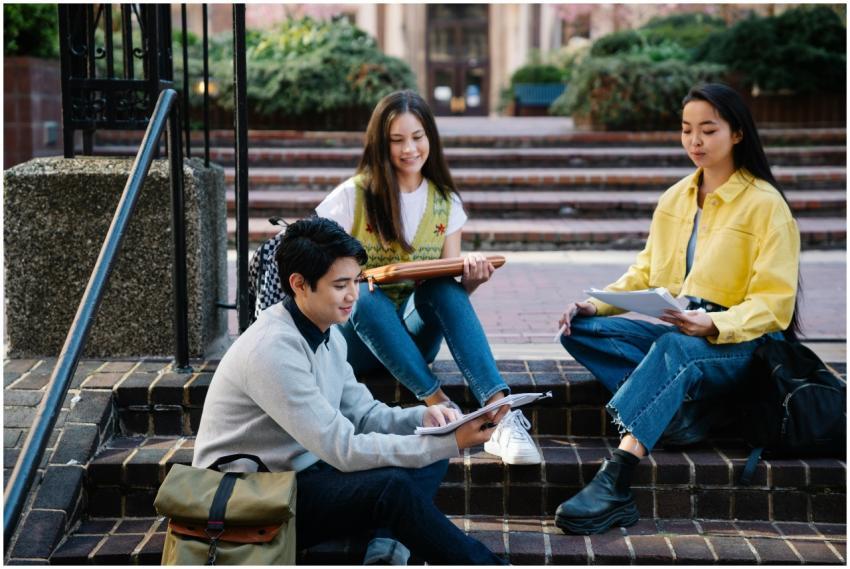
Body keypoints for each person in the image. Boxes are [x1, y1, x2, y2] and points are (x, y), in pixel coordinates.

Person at [553, 83, 801, 535]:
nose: (695, 141)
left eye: (708, 130)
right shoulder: (676, 198)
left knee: (674, 348)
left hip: (743, 342)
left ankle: (618, 479)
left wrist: (714, 322)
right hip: (686, 326)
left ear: (738, 133)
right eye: (687, 130)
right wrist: (594, 303)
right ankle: (680, 418)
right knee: (580, 331)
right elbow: (646, 271)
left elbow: (776, 304)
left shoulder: (766, 205)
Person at [193, 217, 508, 565]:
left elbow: (365, 414)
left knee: (427, 457)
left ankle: (386, 550)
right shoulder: (272, 349)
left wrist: (427, 419)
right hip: (251, 499)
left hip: (302, 473)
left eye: (356, 281)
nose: (353, 295)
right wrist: (452, 441)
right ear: (299, 284)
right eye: (340, 285)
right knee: (394, 485)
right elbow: (343, 448)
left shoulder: (325, 331)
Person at [315, 89, 542, 465]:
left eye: (417, 137)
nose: (410, 149)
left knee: (442, 286)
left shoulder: (445, 201)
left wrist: (473, 280)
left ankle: (501, 415)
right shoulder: (352, 196)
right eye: (397, 140)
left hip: (412, 342)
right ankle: (443, 408)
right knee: (363, 294)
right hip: (353, 340)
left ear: (430, 139)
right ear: (379, 144)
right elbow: (318, 270)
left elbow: (447, 291)